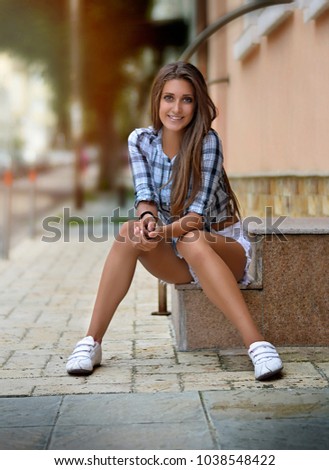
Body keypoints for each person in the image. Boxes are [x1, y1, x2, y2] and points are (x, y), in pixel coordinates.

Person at [66, 61, 283, 381]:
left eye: (187, 99)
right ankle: (91, 342)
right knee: (129, 232)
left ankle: (257, 345)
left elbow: (195, 218)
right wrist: (147, 224)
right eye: (169, 98)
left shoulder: (208, 142)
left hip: (223, 249)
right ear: (157, 100)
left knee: (190, 238)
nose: (176, 108)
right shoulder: (140, 140)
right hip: (180, 258)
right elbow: (144, 195)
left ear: (197, 104)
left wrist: (161, 232)